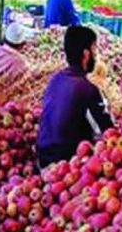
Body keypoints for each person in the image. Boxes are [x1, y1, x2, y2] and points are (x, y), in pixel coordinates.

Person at [36, 26, 113, 169]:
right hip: (65, 168)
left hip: (42, 159)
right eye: (94, 49)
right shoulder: (88, 89)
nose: (96, 55)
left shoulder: (55, 79)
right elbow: (108, 132)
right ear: (86, 54)